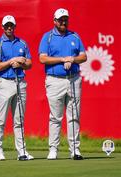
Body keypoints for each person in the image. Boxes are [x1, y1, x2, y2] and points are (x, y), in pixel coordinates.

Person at [39, 8, 87, 160]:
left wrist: (73, 59)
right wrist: (63, 59)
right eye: (60, 20)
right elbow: (43, 58)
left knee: (74, 115)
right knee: (55, 117)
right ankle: (53, 149)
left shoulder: (74, 36)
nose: (63, 22)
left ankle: (75, 149)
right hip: (54, 80)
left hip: (73, 78)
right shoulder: (47, 37)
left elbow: (83, 56)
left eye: (65, 19)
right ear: (54, 21)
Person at [0, 15, 34, 161]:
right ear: (2, 27)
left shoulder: (22, 43)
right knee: (1, 119)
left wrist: (21, 64)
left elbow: (30, 64)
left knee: (19, 120)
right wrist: (11, 61)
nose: (9, 28)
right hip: (5, 83)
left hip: (20, 82)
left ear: (15, 27)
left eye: (12, 25)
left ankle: (22, 151)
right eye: (7, 25)